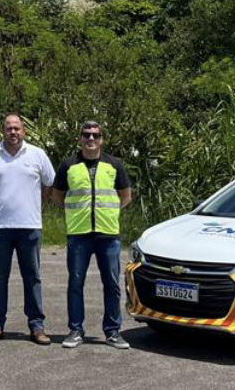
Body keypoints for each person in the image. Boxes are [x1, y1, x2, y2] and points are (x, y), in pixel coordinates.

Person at [0, 113, 55, 345]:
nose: (13, 132)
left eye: (17, 128)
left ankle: (37, 325)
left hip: (30, 226)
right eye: (9, 128)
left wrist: (36, 205)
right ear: (3, 131)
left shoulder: (37, 154)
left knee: (32, 277)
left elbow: (49, 184)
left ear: (24, 131)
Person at [52, 120, 133, 349]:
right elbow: (57, 197)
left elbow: (125, 196)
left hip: (108, 235)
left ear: (101, 139)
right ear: (80, 138)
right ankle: (75, 330)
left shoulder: (114, 165)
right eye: (86, 134)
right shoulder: (69, 165)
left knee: (112, 285)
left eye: (95, 135)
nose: (90, 139)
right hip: (79, 234)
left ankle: (113, 331)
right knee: (76, 283)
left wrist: (110, 213)